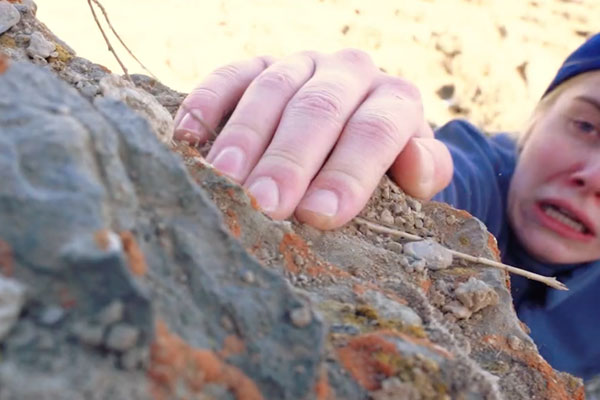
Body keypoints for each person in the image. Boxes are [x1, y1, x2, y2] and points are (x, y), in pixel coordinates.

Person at [172, 35, 600, 380]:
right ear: (536, 117)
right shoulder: (481, 177)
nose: (594, 177)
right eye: (586, 126)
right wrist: (369, 138)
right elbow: (437, 180)